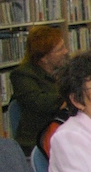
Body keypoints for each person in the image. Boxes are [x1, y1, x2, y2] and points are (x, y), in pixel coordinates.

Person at [11, 25, 69, 154]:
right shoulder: (22, 75)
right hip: (37, 138)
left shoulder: (65, 69)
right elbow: (38, 102)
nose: (65, 52)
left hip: (63, 132)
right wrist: (68, 98)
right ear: (44, 58)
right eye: (60, 49)